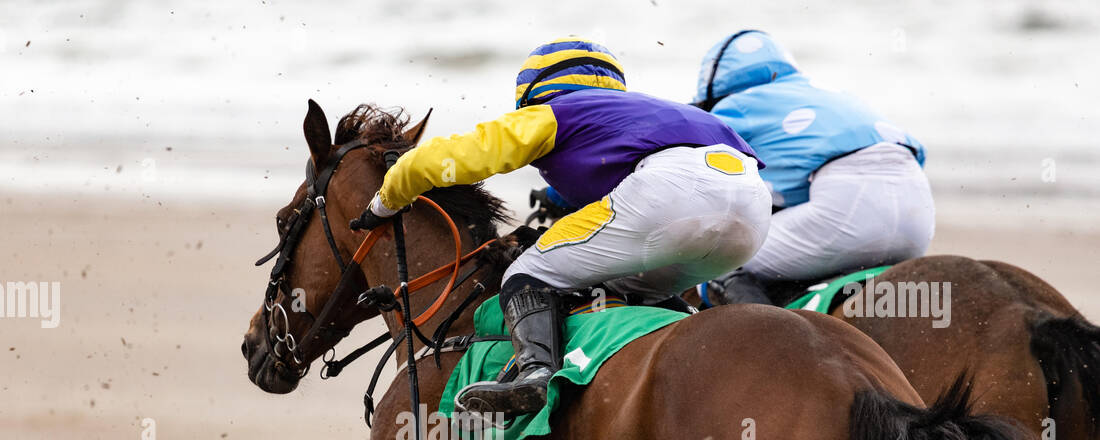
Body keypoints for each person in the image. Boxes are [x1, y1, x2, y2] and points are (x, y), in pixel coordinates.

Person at [354, 37, 771, 417]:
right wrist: (555, 199)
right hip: (752, 211)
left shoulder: (556, 111)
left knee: (527, 274)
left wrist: (383, 202)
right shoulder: (653, 110)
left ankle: (535, 375)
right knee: (639, 290)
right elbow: (634, 166)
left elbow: (450, 158)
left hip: (669, 197)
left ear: (535, 93)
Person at [694, 29, 935, 306]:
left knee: (718, 259)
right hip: (919, 218)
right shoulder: (831, 93)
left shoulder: (736, 105)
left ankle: (772, 338)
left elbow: (699, 171)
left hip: (847, 208)